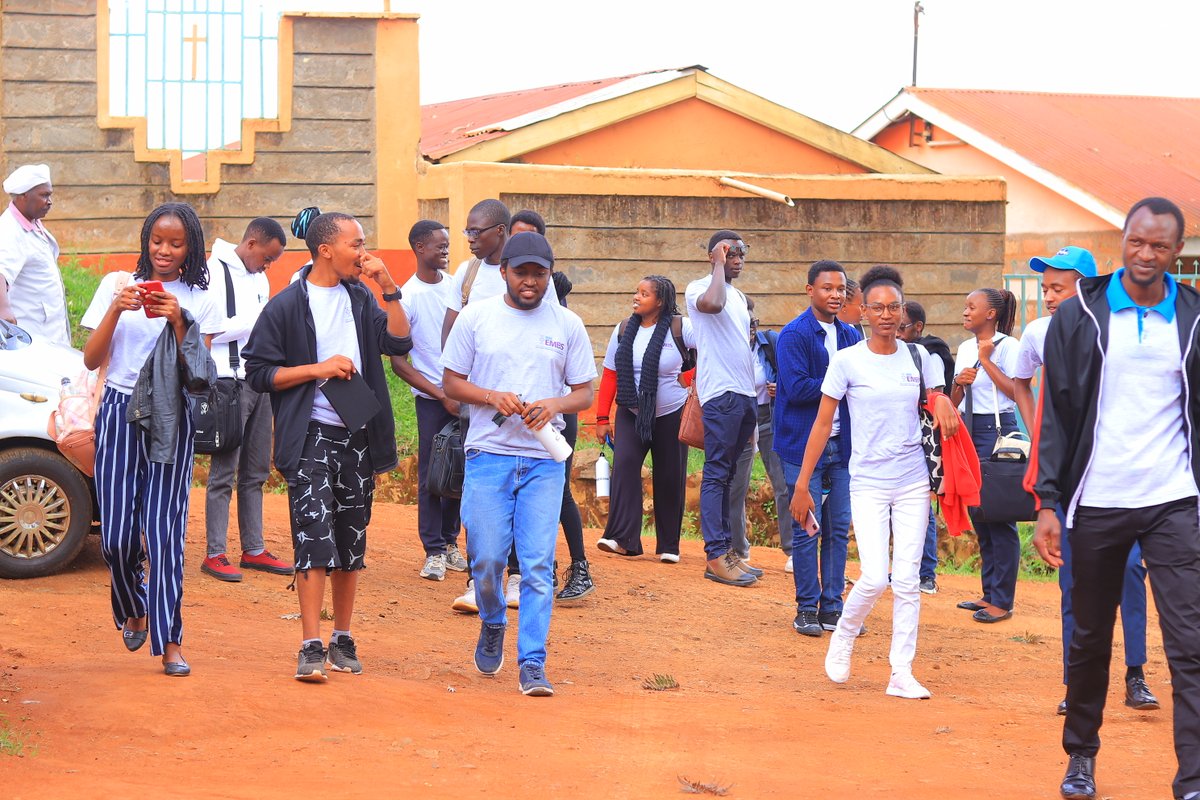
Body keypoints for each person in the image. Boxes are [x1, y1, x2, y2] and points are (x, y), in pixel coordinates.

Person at [1030, 199, 1198, 799]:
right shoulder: (1080, 314)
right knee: (1089, 637)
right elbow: (1057, 413)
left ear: (1176, 251)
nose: (1145, 255)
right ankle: (1081, 756)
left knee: (1190, 643)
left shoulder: (1194, 316)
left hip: (1175, 498)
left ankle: (1193, 780)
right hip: (1096, 500)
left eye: (1158, 246)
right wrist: (1049, 502)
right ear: (1122, 241)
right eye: (1136, 242)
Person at [243, 211, 412, 682]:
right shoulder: (286, 306)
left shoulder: (360, 297)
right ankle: (311, 643)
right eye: (356, 243)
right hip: (310, 435)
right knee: (313, 536)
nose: (364, 251)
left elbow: (400, 341)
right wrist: (316, 369)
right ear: (325, 250)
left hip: (357, 435)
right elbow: (258, 372)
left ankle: (342, 636)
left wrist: (389, 288)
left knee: (350, 539)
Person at [790, 265, 958, 700]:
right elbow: (823, 423)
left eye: (894, 307)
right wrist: (802, 484)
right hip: (866, 481)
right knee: (874, 577)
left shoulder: (920, 358)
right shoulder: (846, 361)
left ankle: (901, 671)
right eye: (877, 307)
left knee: (906, 580)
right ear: (861, 310)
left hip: (912, 482)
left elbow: (938, 400)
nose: (886, 315)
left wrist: (942, 402)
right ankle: (843, 634)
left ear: (903, 312)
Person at [441, 231, 596, 696]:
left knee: (536, 565)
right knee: (486, 558)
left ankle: (532, 662)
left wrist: (552, 405)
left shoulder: (567, 324)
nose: (530, 281)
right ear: (504, 270)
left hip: (543, 462)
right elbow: (451, 383)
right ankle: (492, 620)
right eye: (521, 272)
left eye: (539, 273)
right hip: (488, 454)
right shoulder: (477, 317)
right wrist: (491, 396)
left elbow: (584, 392)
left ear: (550, 274)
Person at [1014, 245, 1158, 717]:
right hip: (1074, 481)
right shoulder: (1039, 332)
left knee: (1132, 574)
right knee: (1073, 584)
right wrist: (1039, 435)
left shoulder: (1119, 330)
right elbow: (1023, 383)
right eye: (1046, 288)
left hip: (1125, 477)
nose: (1049, 297)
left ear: (1086, 285)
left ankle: (1135, 673)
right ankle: (1075, 682)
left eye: (1058, 287)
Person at [81, 202, 222, 677]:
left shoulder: (200, 296)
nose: (164, 251)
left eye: (175, 243)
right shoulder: (117, 285)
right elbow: (89, 359)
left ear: (191, 248)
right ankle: (134, 606)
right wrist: (118, 311)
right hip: (120, 411)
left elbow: (199, 376)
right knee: (118, 536)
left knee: (163, 534)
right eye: (157, 241)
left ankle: (171, 641)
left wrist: (180, 320)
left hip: (171, 416)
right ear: (146, 240)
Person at [200, 217, 293, 582]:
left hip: (259, 379)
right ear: (252, 243)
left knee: (255, 471)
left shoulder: (259, 277)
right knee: (223, 472)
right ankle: (215, 553)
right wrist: (260, 320)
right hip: (228, 380)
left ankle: (253, 549)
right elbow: (207, 328)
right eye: (267, 257)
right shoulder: (212, 272)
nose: (268, 265)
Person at [509, 210, 593, 603]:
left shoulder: (556, 298)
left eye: (529, 238)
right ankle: (515, 571)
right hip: (508, 419)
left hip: (554, 415)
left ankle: (579, 567)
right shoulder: (491, 305)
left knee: (558, 490)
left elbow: (581, 386)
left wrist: (554, 405)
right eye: (515, 239)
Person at [775, 260, 862, 635]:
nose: (835, 295)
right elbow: (794, 389)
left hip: (842, 447)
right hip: (800, 445)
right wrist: (839, 385)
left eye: (841, 289)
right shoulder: (794, 335)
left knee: (838, 527)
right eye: (827, 288)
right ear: (810, 290)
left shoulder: (851, 335)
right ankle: (806, 608)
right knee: (806, 528)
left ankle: (833, 609)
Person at [594, 275, 694, 563]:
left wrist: (687, 377)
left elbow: (712, 355)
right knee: (624, 465)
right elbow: (611, 372)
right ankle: (622, 538)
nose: (636, 297)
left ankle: (668, 546)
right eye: (636, 292)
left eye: (644, 294)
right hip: (631, 411)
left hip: (671, 413)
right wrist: (602, 417)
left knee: (669, 476)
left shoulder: (680, 327)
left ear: (660, 301)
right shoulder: (624, 329)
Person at [390, 220, 468, 582]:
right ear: (419, 248)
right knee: (432, 475)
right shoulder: (408, 298)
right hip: (432, 400)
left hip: (463, 396)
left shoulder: (457, 288)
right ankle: (433, 550)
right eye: (439, 245)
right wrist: (441, 394)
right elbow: (399, 362)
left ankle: (452, 542)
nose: (446, 250)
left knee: (460, 470)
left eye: (447, 245)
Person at [685, 230, 760, 587]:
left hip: (745, 395)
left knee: (731, 477)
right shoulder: (699, 288)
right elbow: (712, 307)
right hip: (721, 395)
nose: (738, 259)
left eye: (741, 253)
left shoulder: (739, 295)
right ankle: (715, 555)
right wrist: (716, 263)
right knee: (717, 474)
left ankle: (729, 552)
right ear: (714, 255)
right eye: (731, 253)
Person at [950, 286, 1022, 623]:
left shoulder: (1009, 347)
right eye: (965, 307)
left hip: (998, 431)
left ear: (990, 313)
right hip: (969, 428)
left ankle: (1003, 601)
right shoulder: (964, 347)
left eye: (971, 307)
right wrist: (960, 384)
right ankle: (989, 592)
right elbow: (953, 402)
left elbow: (1016, 391)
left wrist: (986, 361)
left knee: (1000, 514)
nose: (965, 312)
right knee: (980, 511)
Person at [728, 299, 792, 569]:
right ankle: (738, 548)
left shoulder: (771, 344)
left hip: (769, 417)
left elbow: (793, 375)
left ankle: (792, 550)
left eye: (753, 323)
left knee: (783, 484)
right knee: (736, 486)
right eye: (745, 324)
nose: (751, 329)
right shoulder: (727, 348)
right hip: (739, 418)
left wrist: (782, 387)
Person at [899, 300, 952, 595]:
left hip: (923, 441)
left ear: (917, 328)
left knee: (923, 508)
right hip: (899, 441)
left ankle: (926, 573)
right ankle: (909, 569)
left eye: (902, 326)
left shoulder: (927, 354)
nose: (896, 331)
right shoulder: (895, 352)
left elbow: (937, 399)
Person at [0, 164, 68, 346]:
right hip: (32, 336)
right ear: (24, 196)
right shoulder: (9, 230)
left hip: (51, 331)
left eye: (50, 194)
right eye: (44, 195)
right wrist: (3, 311)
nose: (49, 201)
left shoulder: (33, 222)